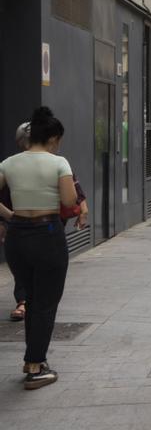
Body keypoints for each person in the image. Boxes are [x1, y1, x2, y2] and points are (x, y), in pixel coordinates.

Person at [0, 107, 78, 389]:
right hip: (47, 234)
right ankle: (35, 366)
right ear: (53, 138)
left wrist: (11, 216)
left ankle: (33, 361)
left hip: (18, 236)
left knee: (31, 298)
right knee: (46, 303)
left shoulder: (8, 163)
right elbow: (69, 200)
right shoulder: (59, 163)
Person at [0, 122, 87, 322]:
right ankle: (26, 302)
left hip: (37, 225)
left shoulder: (51, 163)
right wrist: (7, 217)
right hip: (39, 226)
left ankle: (32, 303)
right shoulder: (14, 165)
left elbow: (74, 189)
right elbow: (72, 195)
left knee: (32, 266)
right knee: (31, 268)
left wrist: (83, 208)